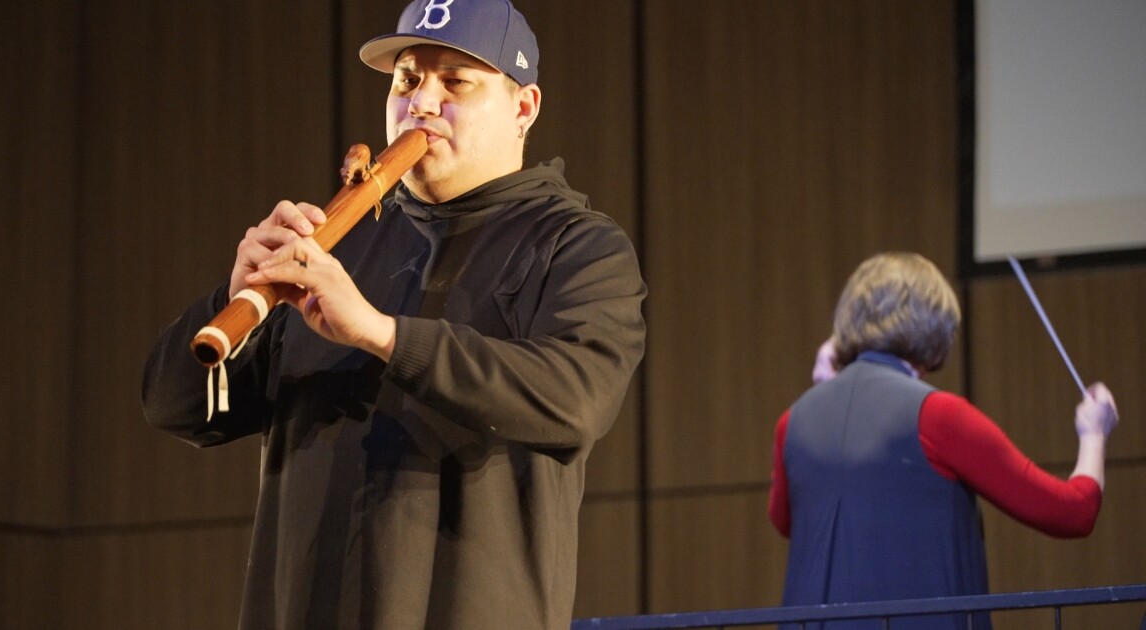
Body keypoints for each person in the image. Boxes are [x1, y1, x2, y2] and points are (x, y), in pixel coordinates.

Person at [141, 0, 647, 628]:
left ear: (524, 108)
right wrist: (232, 295)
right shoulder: (336, 242)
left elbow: (575, 398)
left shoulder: (575, 244)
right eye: (407, 79)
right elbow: (175, 407)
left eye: (455, 81)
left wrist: (380, 334)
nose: (422, 103)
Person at [768, 252, 1118, 630]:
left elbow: (786, 520)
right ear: (936, 328)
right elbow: (1071, 512)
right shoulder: (937, 416)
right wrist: (1093, 433)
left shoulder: (792, 422)